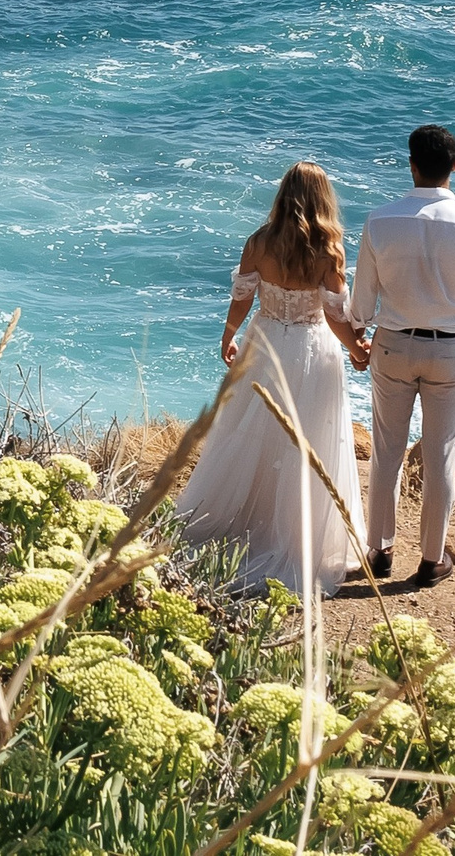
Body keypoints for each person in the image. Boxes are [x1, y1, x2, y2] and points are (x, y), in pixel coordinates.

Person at [176, 162, 370, 593]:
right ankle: (299, 537)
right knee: (309, 440)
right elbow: (337, 316)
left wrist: (228, 336)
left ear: (282, 195)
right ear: (324, 200)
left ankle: (240, 519)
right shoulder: (328, 251)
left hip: (262, 344)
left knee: (248, 432)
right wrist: (358, 348)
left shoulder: (258, 242)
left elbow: (242, 297)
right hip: (310, 350)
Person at [348, 124, 455, 588]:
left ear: (412, 164)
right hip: (449, 350)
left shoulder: (380, 220)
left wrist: (358, 336)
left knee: (386, 451)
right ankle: (431, 559)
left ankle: (380, 550)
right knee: (440, 454)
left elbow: (362, 298)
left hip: (394, 344)